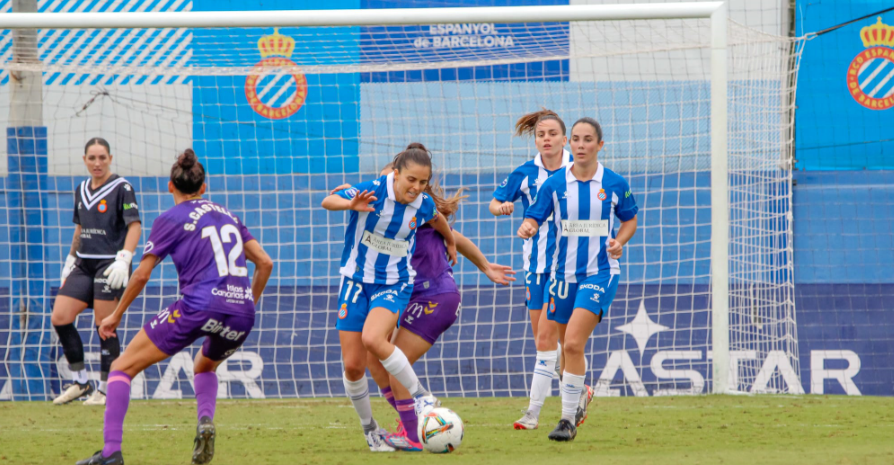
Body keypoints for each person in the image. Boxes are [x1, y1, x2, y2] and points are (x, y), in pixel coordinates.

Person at [76, 149, 274, 465]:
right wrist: (247, 304)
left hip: (199, 305)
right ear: (203, 187)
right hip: (241, 312)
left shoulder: (170, 218)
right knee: (204, 366)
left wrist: (115, 315)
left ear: (170, 186)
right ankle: (205, 420)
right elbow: (265, 263)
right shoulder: (229, 216)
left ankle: (111, 452)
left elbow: (142, 275)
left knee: (121, 368)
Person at [333, 163, 517, 452]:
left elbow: (454, 236)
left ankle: (415, 424)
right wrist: (349, 197)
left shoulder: (414, 212)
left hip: (434, 296)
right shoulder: (381, 208)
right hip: (414, 296)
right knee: (373, 357)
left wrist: (485, 266)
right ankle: (415, 422)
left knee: (395, 363)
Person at [321, 143, 456, 452]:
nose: (417, 187)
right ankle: (371, 430)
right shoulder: (373, 190)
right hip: (356, 282)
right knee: (353, 366)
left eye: (423, 182)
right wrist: (350, 204)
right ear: (396, 174)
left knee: (373, 339)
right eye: (411, 179)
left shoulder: (422, 203)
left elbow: (437, 219)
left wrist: (449, 241)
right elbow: (328, 200)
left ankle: (421, 397)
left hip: (394, 283)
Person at [519, 117, 638, 442]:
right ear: (569, 143)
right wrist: (528, 226)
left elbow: (629, 220)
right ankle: (573, 404)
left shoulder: (614, 183)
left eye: (588, 139)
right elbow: (534, 217)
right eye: (576, 139)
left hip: (600, 273)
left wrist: (619, 241)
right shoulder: (555, 184)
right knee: (561, 346)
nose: (581, 145)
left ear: (600, 145)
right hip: (562, 277)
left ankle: (566, 420)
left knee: (572, 343)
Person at [489, 109, 592, 430]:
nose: (546, 139)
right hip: (535, 267)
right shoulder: (524, 173)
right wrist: (502, 208)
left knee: (552, 339)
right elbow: (494, 203)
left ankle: (533, 413)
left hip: (568, 267)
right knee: (544, 340)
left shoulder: (577, 170)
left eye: (552, 134)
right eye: (540, 135)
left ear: (565, 139)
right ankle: (579, 390)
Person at [52, 137, 141, 406]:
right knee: (60, 317)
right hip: (83, 264)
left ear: (110, 159)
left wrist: (125, 258)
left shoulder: (122, 187)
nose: (97, 163)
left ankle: (105, 389)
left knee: (105, 326)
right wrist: (70, 260)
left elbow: (135, 226)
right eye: (92, 158)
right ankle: (81, 383)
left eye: (102, 157)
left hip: (110, 264)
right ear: (85, 160)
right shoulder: (81, 189)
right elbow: (79, 229)